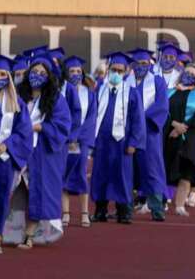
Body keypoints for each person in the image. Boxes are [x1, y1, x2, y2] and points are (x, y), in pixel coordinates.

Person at [17, 55, 71, 246]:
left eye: (42, 73)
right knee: (13, 190)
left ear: (49, 77)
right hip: (17, 148)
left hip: (41, 151)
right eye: (34, 72)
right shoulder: (19, 95)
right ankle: (0, 232)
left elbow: (63, 125)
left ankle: (29, 235)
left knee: (36, 191)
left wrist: (40, 127)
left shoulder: (56, 99)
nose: (37, 75)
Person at [90, 52, 147, 224]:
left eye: (120, 71)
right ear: (108, 70)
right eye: (113, 70)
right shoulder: (99, 90)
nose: (116, 74)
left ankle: (124, 212)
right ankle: (100, 210)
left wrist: (134, 142)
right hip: (101, 142)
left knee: (122, 176)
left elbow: (138, 120)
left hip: (122, 143)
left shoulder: (131, 92)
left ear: (126, 72)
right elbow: (92, 115)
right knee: (101, 175)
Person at [0, 56, 31, 254]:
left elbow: (24, 132)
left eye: (3, 74)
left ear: (9, 77)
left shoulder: (16, 102)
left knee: (1, 195)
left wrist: (7, 145)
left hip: (4, 156)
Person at [128, 49, 169, 222]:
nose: (141, 66)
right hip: (129, 133)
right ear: (132, 65)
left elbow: (162, 105)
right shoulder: (125, 81)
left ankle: (157, 208)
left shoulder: (158, 82)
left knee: (152, 169)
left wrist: (141, 119)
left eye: (144, 63)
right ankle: (126, 208)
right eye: (137, 63)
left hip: (149, 133)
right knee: (128, 171)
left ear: (150, 64)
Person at [164, 63, 195, 216]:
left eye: (192, 74)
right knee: (166, 171)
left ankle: (179, 205)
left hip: (189, 140)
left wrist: (183, 127)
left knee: (186, 174)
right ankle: (161, 202)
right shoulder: (170, 92)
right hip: (169, 137)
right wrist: (174, 124)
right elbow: (163, 111)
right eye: (186, 72)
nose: (188, 76)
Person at [60, 56, 97, 227]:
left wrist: (79, 139)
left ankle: (84, 212)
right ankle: (65, 213)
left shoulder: (89, 94)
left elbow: (90, 119)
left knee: (81, 174)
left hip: (81, 142)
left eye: (78, 71)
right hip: (63, 140)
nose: (75, 74)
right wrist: (68, 137)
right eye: (72, 71)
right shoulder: (61, 91)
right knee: (63, 175)